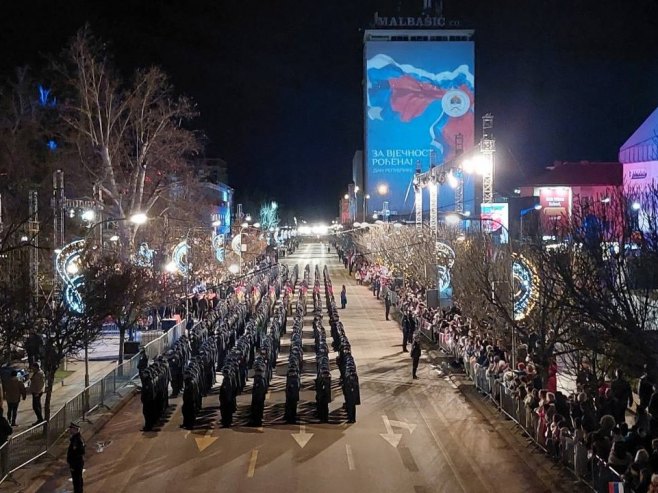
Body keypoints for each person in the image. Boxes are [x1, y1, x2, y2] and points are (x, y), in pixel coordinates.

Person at [67, 422, 85, 493]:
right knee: (78, 479)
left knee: (76, 480)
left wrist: (72, 462)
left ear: (75, 429)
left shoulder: (76, 440)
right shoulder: (76, 438)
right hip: (77, 462)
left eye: (71, 428)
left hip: (76, 463)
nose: (70, 430)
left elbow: (80, 451)